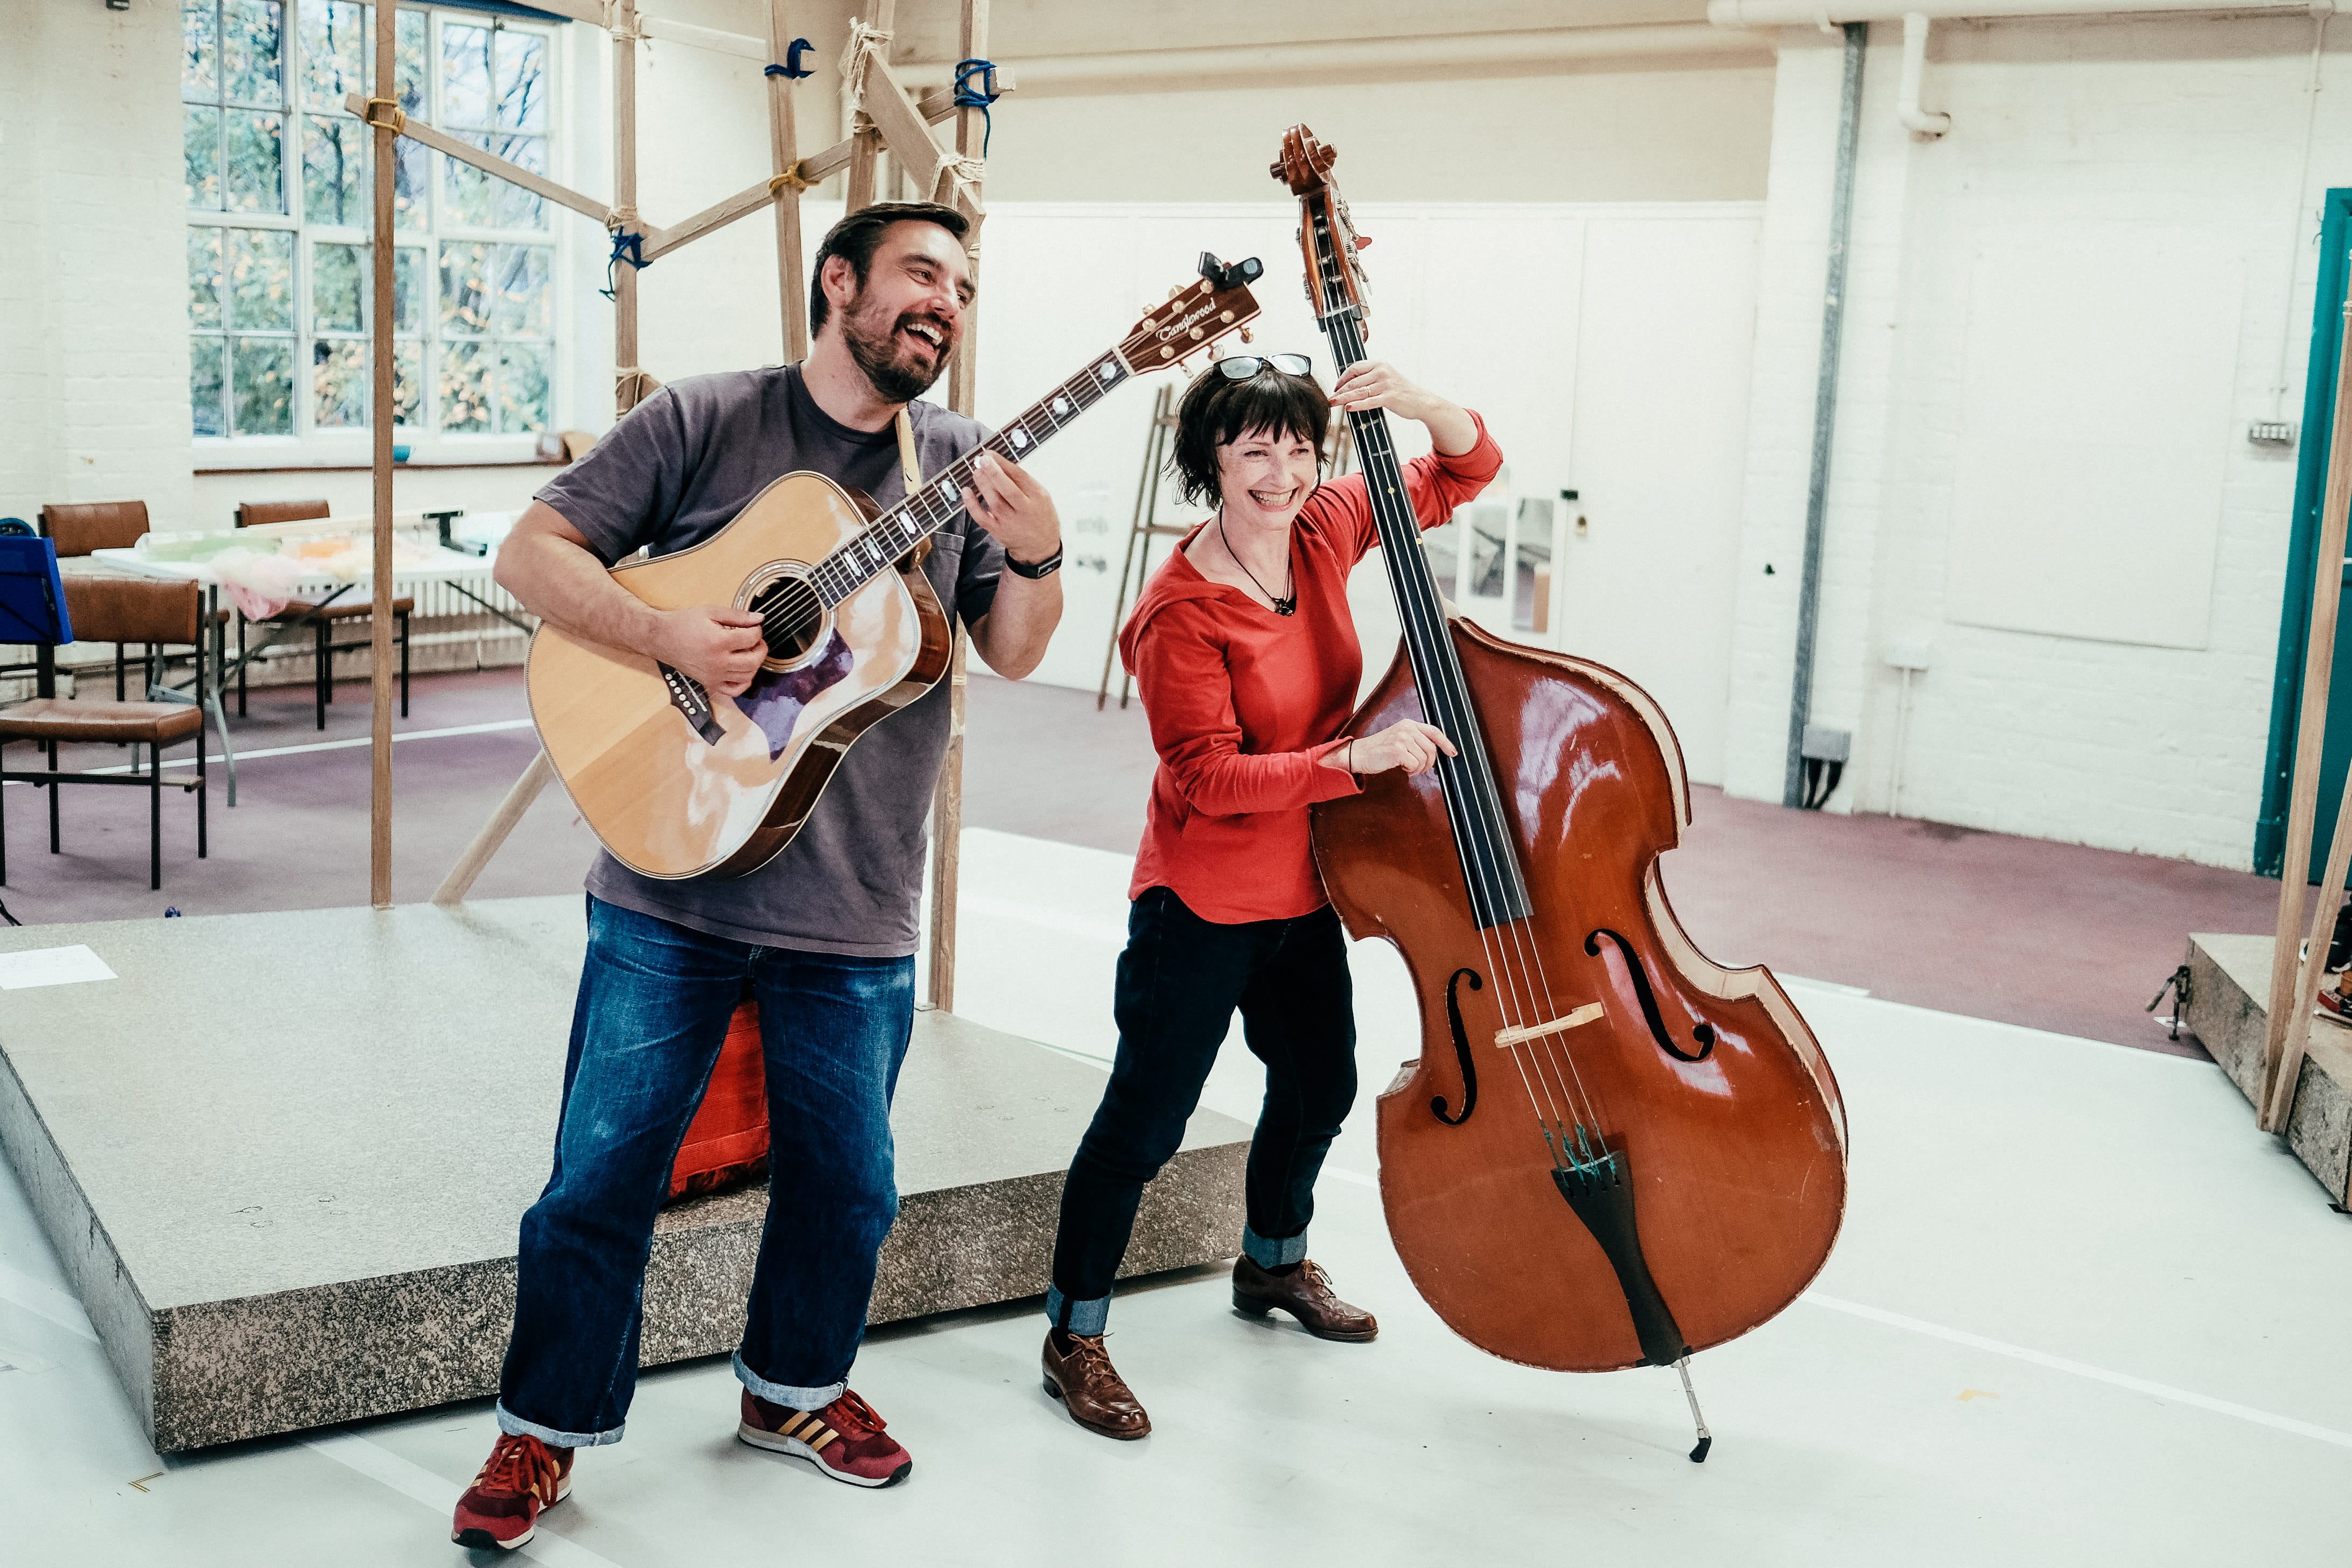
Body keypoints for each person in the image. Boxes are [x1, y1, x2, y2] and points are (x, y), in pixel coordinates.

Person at [452, 202, 1066, 1551]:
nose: (945, 302)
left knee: (848, 1185)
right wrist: (665, 630)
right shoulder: (706, 417)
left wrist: (1038, 551)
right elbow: (531, 554)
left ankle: (793, 1391)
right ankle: (544, 1425)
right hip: (666, 887)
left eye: (961, 287)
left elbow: (1017, 648)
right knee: (599, 1176)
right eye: (920, 273)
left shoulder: (963, 462)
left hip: (855, 899)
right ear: (838, 280)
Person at [1038, 351, 1501, 1439]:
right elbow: (1206, 777)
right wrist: (1353, 760)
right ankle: (1073, 1336)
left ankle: (1272, 1265)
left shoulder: (1326, 526)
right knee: (1144, 1124)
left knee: (1319, 1087)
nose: (1282, 472)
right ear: (1211, 459)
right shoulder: (1179, 611)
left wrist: (1416, 398)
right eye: (1255, 450)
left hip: (1307, 889)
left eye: (1299, 447)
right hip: (1200, 901)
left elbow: (1468, 468)